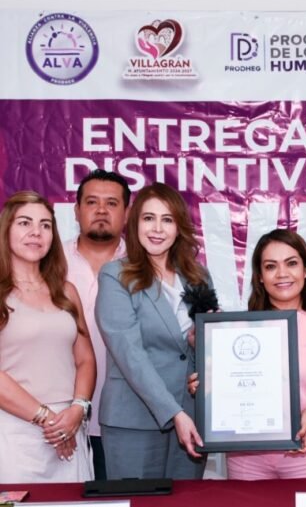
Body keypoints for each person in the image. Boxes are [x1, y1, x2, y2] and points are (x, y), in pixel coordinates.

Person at [95, 182, 208, 479]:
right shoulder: (115, 275)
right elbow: (129, 353)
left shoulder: (198, 276)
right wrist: (174, 412)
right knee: (139, 506)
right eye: (148, 218)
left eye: (167, 219)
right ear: (135, 224)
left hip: (192, 414)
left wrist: (201, 346)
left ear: (179, 227)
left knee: (187, 506)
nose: (157, 229)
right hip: (134, 419)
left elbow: (202, 348)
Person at [226, 229, 306, 479]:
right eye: (270, 266)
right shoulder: (238, 329)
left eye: (292, 263)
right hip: (247, 456)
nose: (282, 273)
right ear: (260, 277)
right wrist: (207, 385)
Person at [0, 192, 95, 483]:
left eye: (45, 225)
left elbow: (85, 360)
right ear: (6, 230)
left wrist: (78, 408)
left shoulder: (66, 292)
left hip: (70, 429)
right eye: (25, 223)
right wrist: (47, 419)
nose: (36, 232)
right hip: (14, 433)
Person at [64, 169, 130, 480]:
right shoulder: (49, 261)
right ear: (76, 210)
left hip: (128, 420)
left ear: (126, 213)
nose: (101, 210)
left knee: (129, 506)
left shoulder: (144, 265)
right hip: (60, 418)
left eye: (111, 203)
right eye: (92, 202)